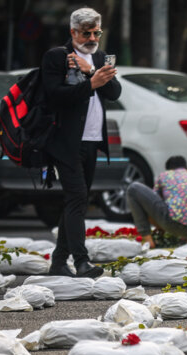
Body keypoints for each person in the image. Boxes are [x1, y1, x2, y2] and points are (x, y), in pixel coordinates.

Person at [42, 7, 121, 278]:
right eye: (85, 33)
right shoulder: (57, 56)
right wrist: (90, 80)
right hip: (65, 142)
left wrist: (93, 71)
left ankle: (58, 261)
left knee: (78, 199)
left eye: (96, 32)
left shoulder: (99, 57)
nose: (91, 38)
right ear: (73, 32)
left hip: (92, 141)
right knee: (77, 197)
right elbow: (54, 95)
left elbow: (113, 92)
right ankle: (81, 261)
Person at [126, 156, 187, 248]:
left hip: (174, 224)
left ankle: (148, 240)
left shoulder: (164, 175)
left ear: (169, 170)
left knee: (133, 189)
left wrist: (160, 228)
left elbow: (151, 210)